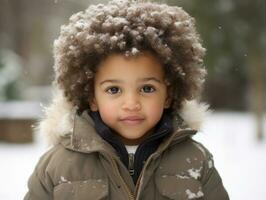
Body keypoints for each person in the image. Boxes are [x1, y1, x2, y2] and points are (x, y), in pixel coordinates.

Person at [24, 0, 229, 199]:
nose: (131, 104)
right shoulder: (58, 165)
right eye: (114, 90)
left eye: (147, 88)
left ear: (169, 94)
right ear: (92, 97)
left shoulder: (195, 160)